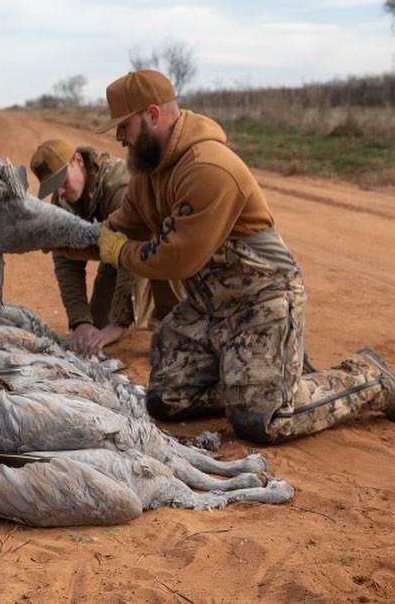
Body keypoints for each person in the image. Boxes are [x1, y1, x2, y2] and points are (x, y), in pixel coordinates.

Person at [82, 68, 395, 444]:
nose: (119, 137)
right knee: (166, 400)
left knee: (260, 421)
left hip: (262, 301)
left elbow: (175, 259)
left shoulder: (208, 167)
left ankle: (366, 376)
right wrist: (42, 233)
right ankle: (260, 376)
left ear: (152, 115)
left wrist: (121, 252)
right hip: (210, 308)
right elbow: (115, 229)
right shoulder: (146, 179)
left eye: (124, 125)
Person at [30, 138, 181, 358]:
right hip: (116, 255)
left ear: (78, 161)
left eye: (62, 181)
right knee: (96, 326)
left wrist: (119, 322)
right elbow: (66, 262)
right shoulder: (62, 203)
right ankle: (139, 306)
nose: (60, 191)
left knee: (137, 325)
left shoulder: (118, 186)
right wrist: (80, 321)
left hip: (156, 249)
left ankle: (167, 310)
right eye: (53, 187)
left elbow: (136, 247)